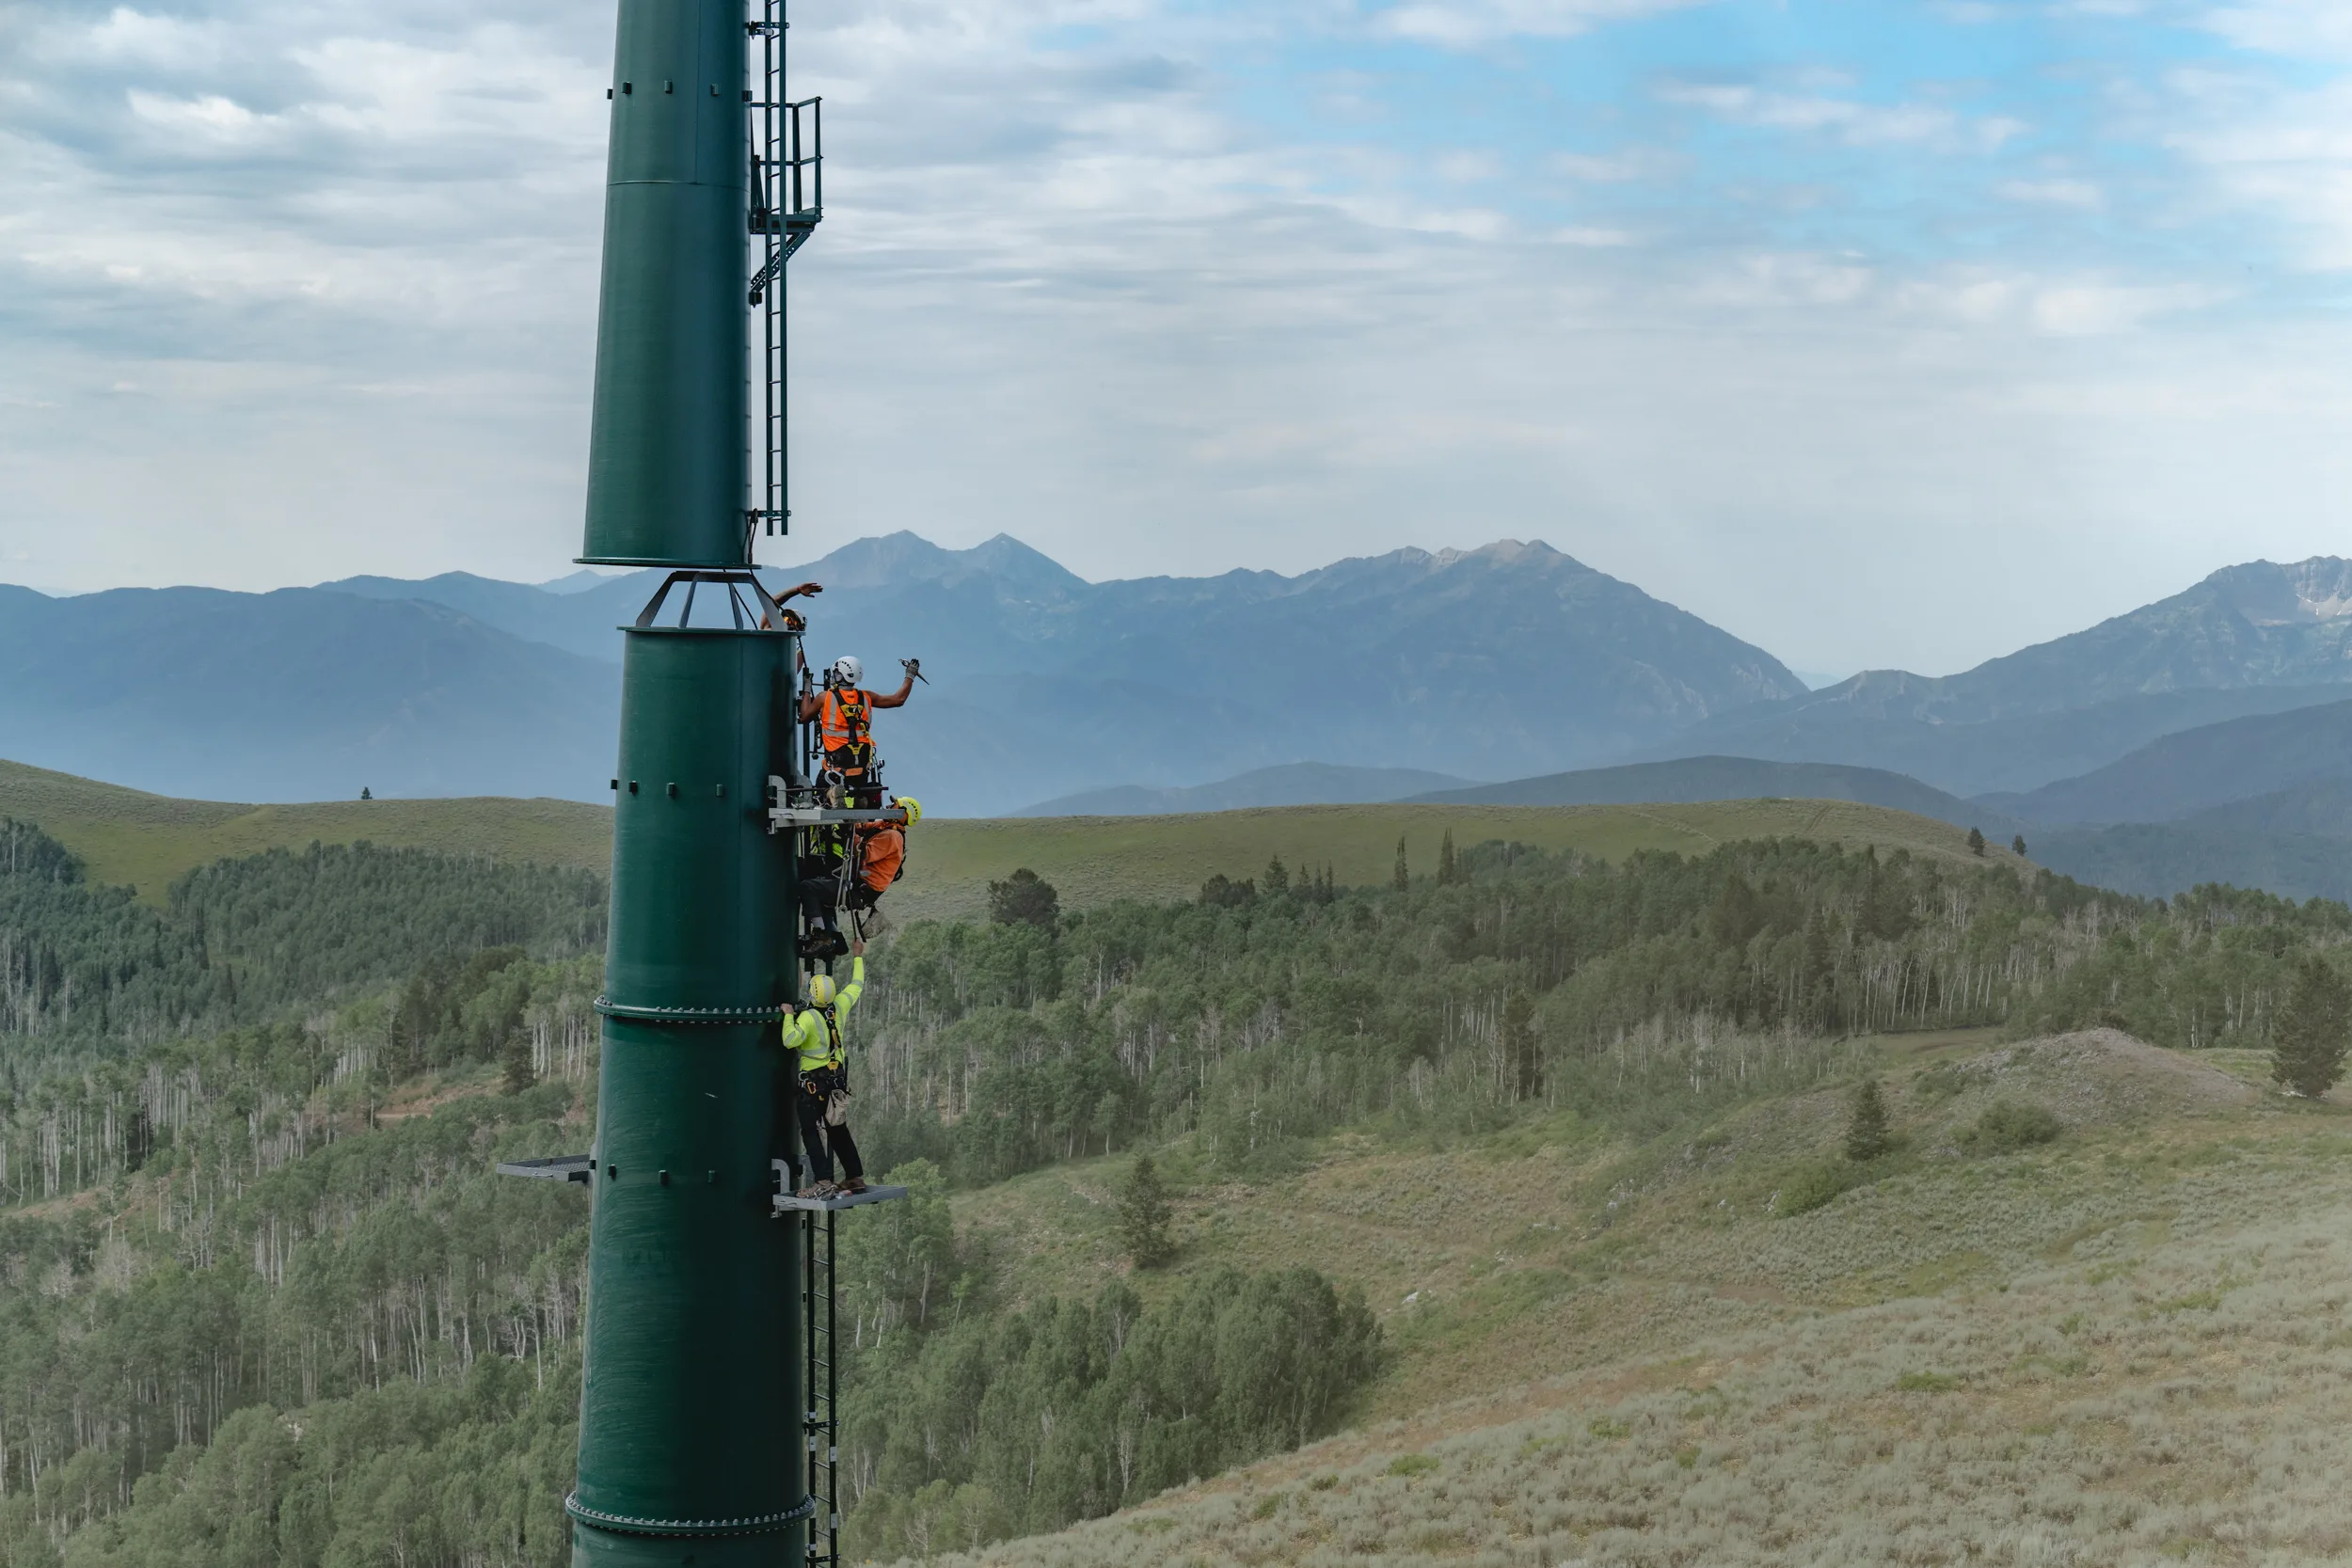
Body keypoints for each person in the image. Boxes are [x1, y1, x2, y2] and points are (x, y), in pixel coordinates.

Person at [781, 942, 868, 1198]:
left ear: (812, 994)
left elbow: (790, 1040)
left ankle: (823, 1181)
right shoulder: (839, 1007)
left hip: (813, 1085)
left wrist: (788, 1015)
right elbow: (857, 985)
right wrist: (858, 957)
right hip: (836, 1082)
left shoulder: (807, 1017)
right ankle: (855, 1177)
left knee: (810, 1131)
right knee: (838, 1129)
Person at [800, 656, 917, 806]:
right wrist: (910, 675)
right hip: (861, 768)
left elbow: (804, 717)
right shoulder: (866, 697)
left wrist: (807, 689)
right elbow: (898, 700)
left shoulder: (824, 697)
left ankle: (831, 793)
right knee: (856, 784)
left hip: (835, 768)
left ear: (840, 675)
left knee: (819, 793)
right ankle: (859, 798)